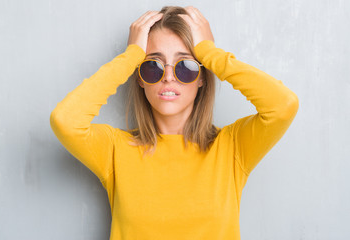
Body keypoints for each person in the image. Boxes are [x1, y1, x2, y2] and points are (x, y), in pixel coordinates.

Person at [50, 5, 299, 240]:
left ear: (202, 76)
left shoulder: (232, 147)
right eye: (152, 66)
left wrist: (210, 53)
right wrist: (131, 57)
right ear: (139, 77)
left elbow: (283, 106)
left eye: (186, 66)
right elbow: (65, 121)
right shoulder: (115, 150)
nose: (168, 77)